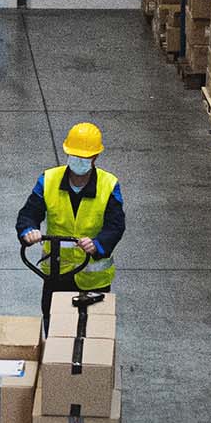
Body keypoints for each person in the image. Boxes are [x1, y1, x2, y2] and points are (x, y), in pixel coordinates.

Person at [17, 122, 124, 299]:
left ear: (95, 157)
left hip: (93, 281)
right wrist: (28, 231)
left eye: (84, 157)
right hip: (56, 273)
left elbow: (116, 225)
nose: (78, 160)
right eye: (74, 155)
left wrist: (98, 244)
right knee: (54, 324)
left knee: (93, 326)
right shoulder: (49, 179)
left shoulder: (109, 185)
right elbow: (29, 214)